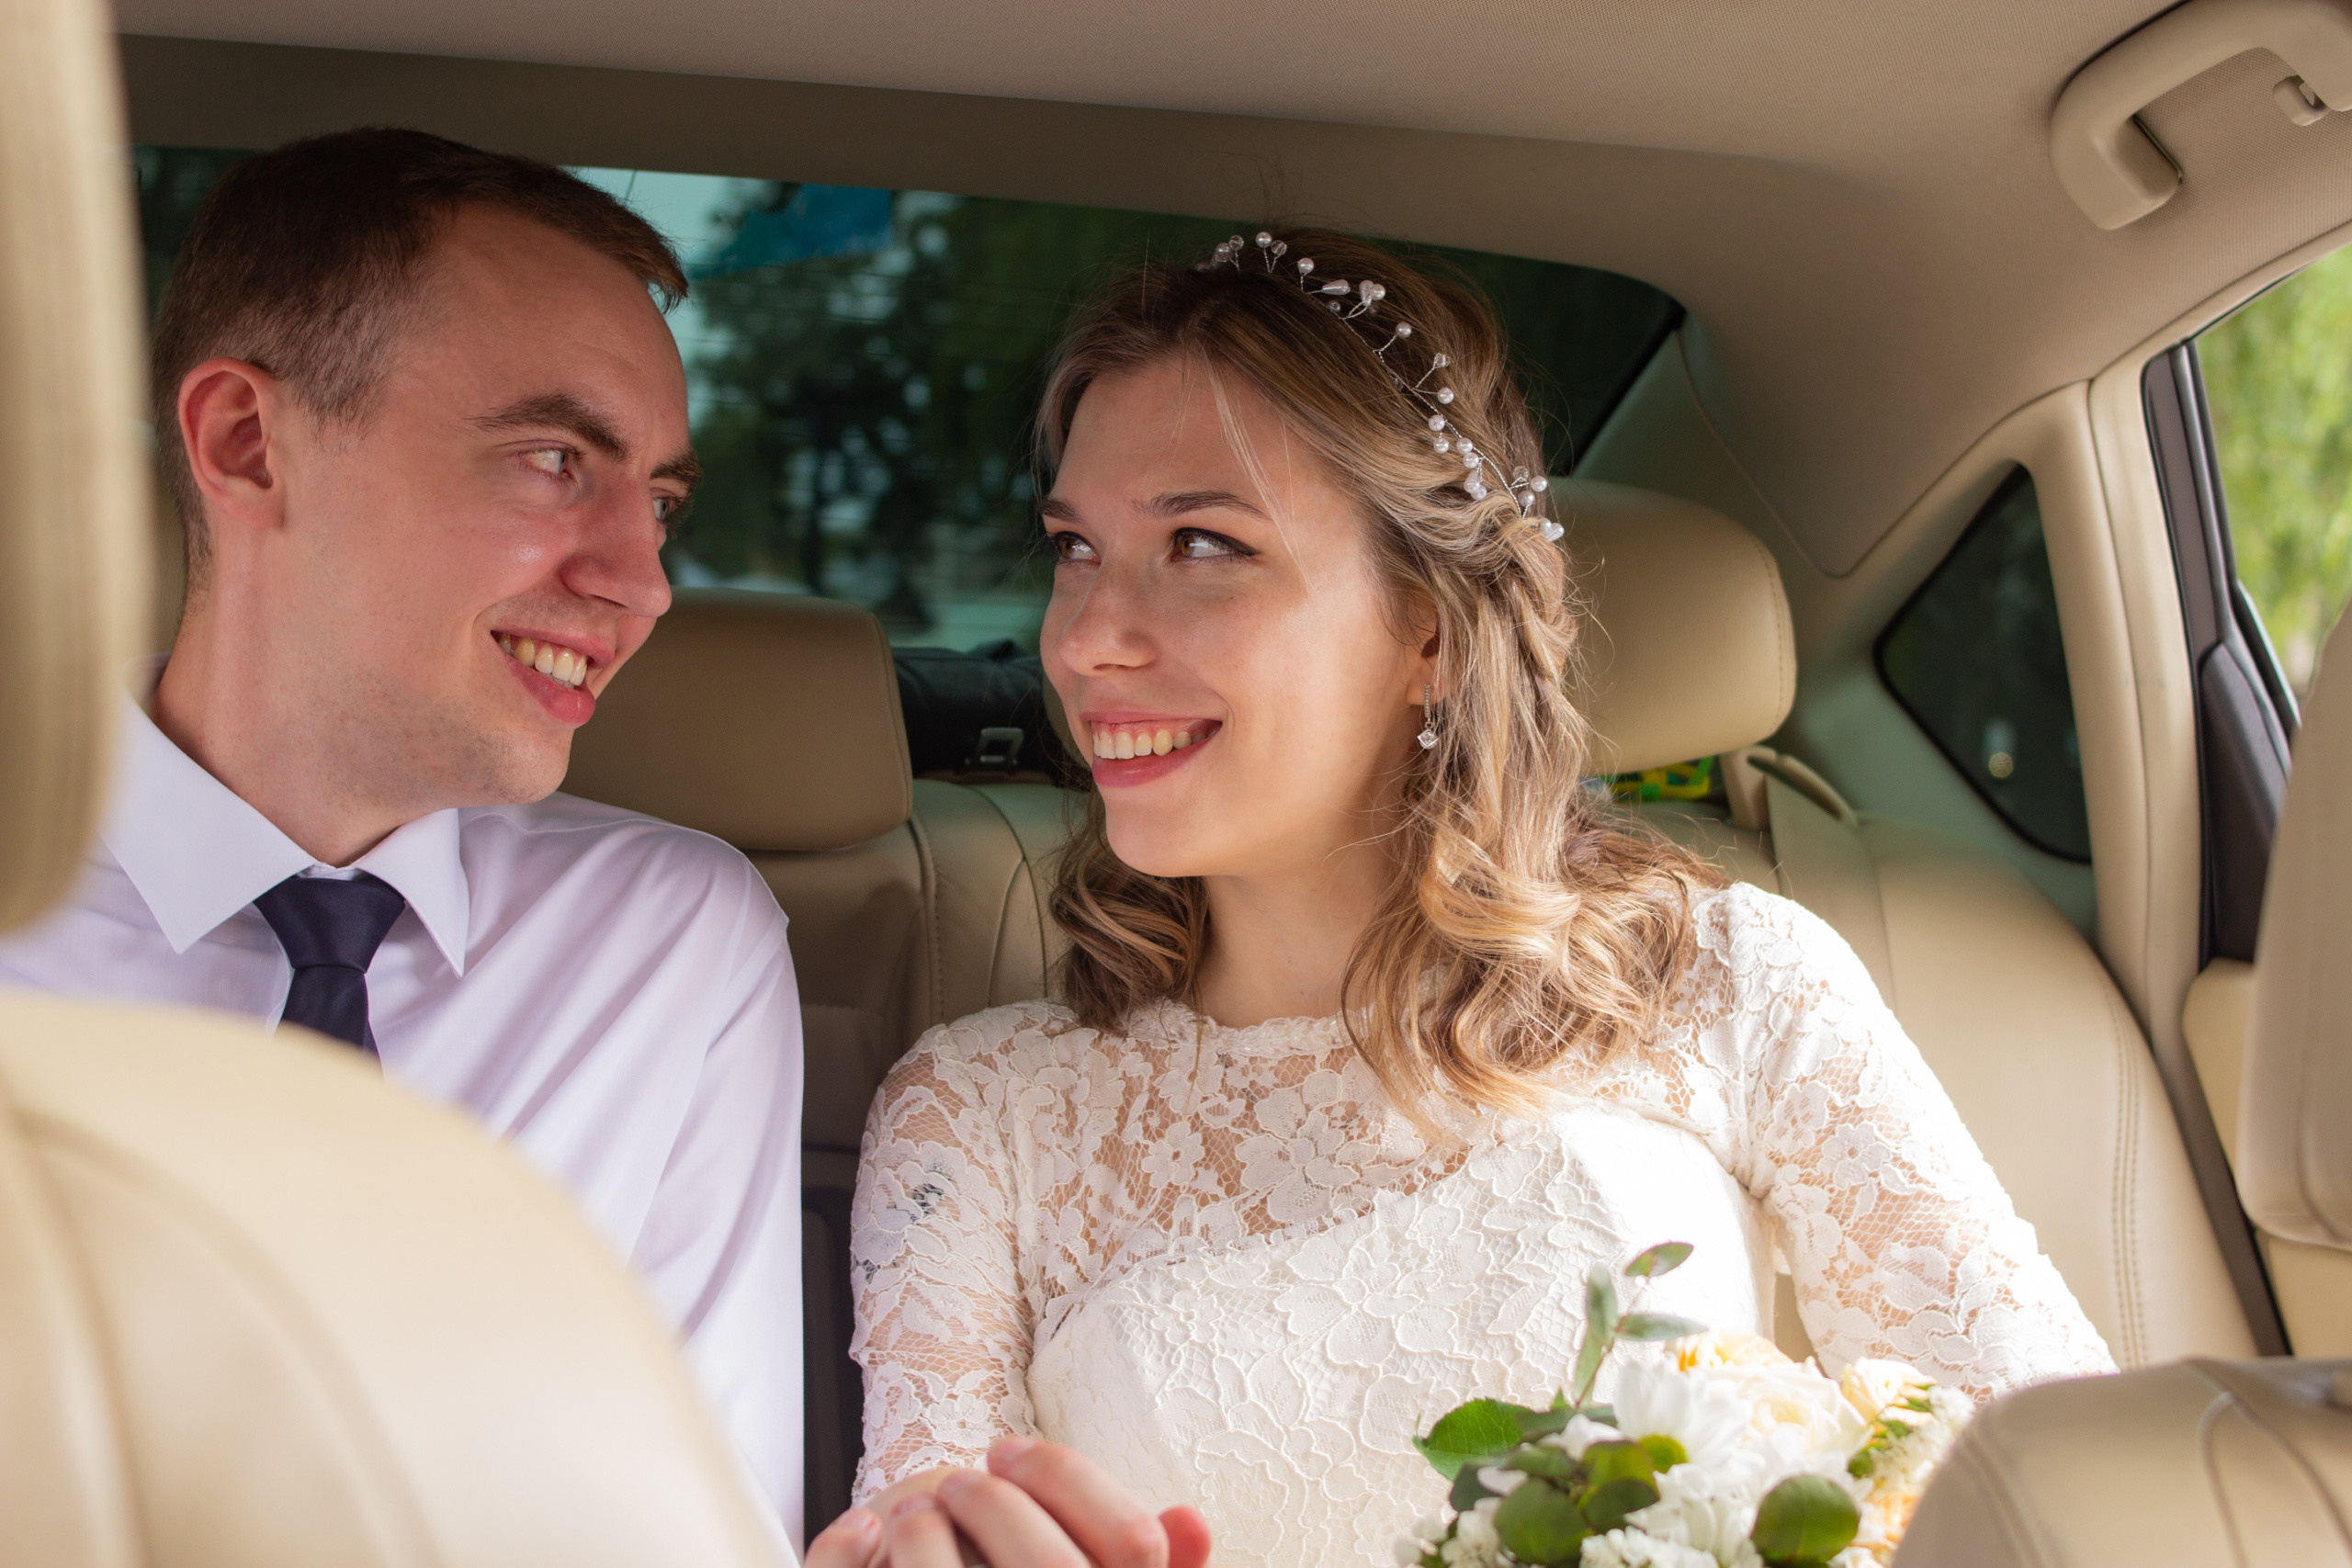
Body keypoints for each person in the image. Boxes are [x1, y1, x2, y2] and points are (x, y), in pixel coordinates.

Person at [842, 228, 2116, 1568]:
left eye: (1203, 543)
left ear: (1434, 632)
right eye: (1074, 549)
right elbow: (918, 1537)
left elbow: (2064, 1496)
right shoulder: (979, 1125)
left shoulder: (1735, 983)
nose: (1086, 637)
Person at [0, 130, 805, 1543]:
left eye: (662, 503)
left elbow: (705, 1530)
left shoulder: (676, 949)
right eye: (557, 462)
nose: (646, 585)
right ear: (246, 446)